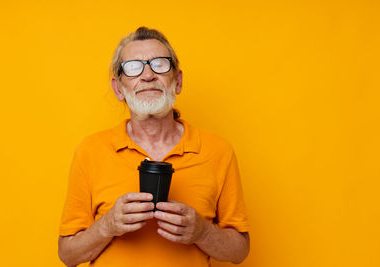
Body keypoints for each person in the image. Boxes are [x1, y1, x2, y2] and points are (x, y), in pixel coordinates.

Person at [58, 27, 250, 267]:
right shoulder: (90, 151)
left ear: (178, 81)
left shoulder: (218, 151)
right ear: (118, 88)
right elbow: (67, 255)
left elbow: (239, 252)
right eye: (134, 67)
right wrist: (107, 226)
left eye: (159, 65)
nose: (148, 75)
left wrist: (202, 232)